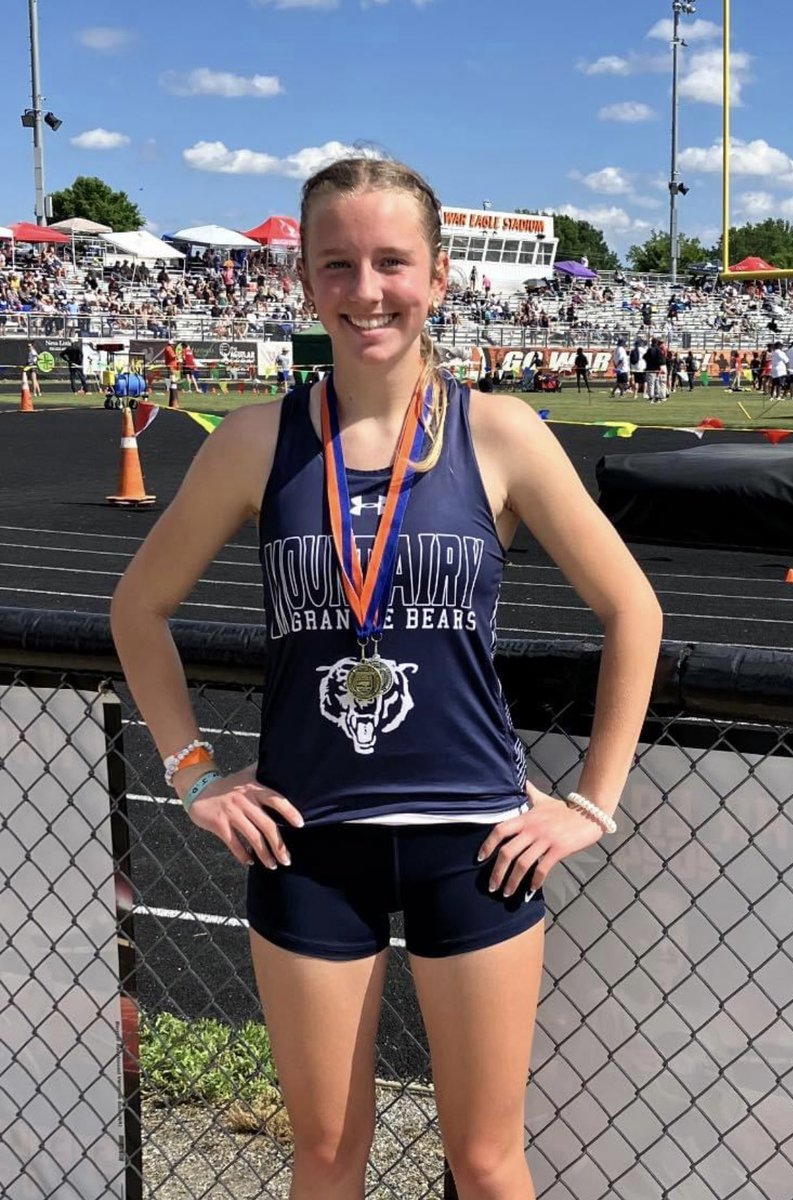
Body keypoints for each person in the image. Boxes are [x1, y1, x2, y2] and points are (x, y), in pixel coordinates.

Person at [109, 156, 662, 1200]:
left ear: (440, 276)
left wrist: (593, 803)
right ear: (304, 283)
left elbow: (632, 609)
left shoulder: (498, 433)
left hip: (475, 842)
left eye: (392, 262)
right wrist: (191, 771)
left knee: (487, 1159)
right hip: (309, 840)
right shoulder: (253, 442)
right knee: (323, 1153)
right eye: (339, 264)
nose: (367, 290)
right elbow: (137, 608)